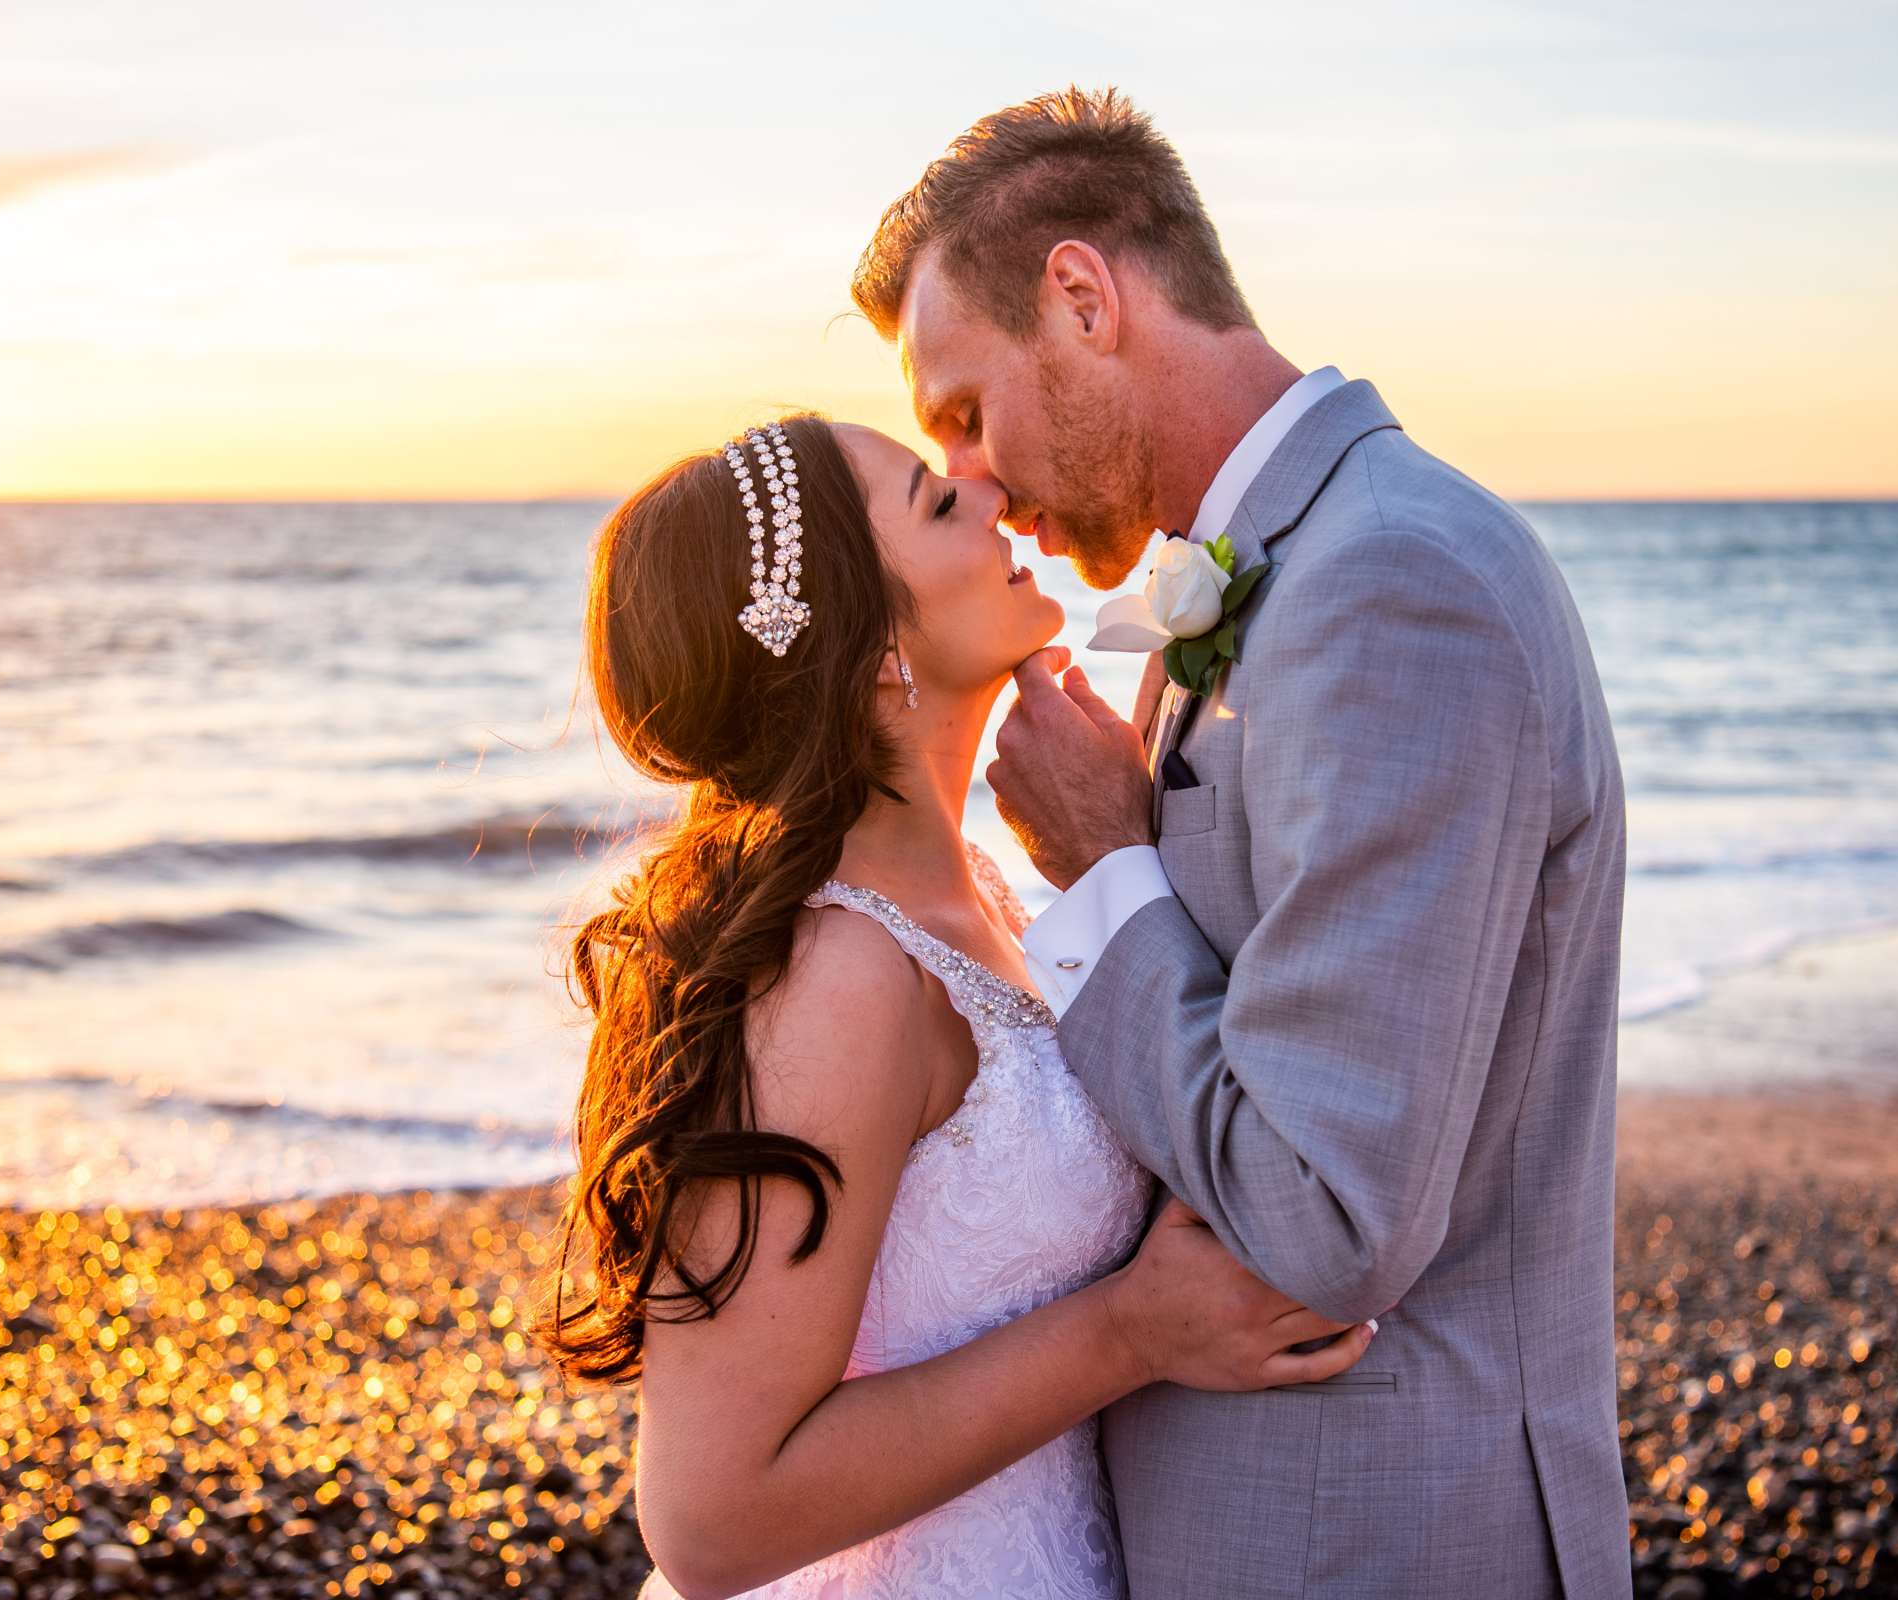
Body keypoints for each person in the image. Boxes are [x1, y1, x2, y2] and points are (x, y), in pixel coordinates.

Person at [849, 88, 1634, 1597]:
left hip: (1379, 1536)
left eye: (965, 412)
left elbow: (1327, 1217)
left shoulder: (1391, 586)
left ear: (1083, 298)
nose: (981, 480)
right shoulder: (1289, 572)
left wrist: (1103, 870)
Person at [538, 414, 1376, 1600]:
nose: (989, 494)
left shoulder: (977, 890)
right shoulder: (837, 972)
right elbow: (713, 1519)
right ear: (874, 637)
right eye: (937, 502)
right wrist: (1130, 1331)